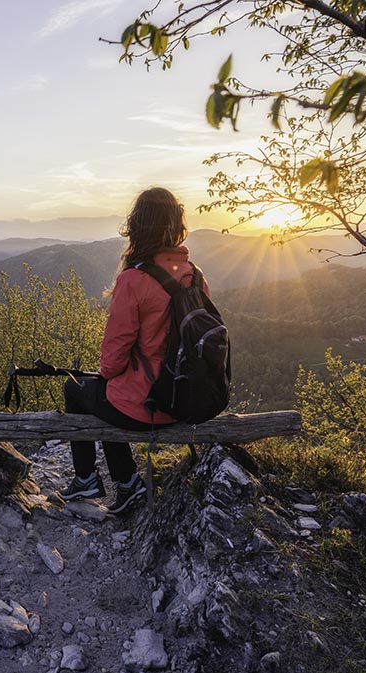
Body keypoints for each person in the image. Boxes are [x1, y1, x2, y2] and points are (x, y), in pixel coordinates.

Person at [58, 186, 208, 514]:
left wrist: (110, 375)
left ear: (137, 225)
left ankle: (91, 478)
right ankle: (125, 483)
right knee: (110, 392)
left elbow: (112, 362)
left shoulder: (133, 280)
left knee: (78, 387)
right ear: (176, 225)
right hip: (188, 399)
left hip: (151, 405)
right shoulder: (194, 276)